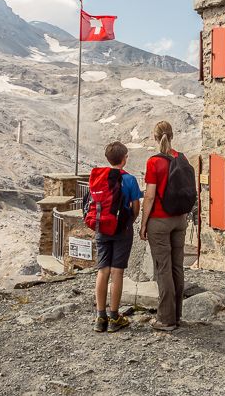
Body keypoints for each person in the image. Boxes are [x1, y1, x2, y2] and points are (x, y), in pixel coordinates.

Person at [139, 121, 189, 331]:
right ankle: (176, 315)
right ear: (172, 136)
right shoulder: (182, 158)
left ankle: (166, 319)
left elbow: (149, 196)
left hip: (159, 221)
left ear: (154, 137)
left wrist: (143, 225)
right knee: (177, 267)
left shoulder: (154, 162)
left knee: (163, 268)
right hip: (180, 219)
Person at [94, 141, 142, 333]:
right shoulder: (129, 180)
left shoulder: (99, 177)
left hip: (102, 228)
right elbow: (136, 205)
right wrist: (131, 220)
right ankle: (114, 317)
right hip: (122, 230)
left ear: (108, 159)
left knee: (102, 270)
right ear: (124, 159)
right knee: (117, 272)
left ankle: (100, 317)